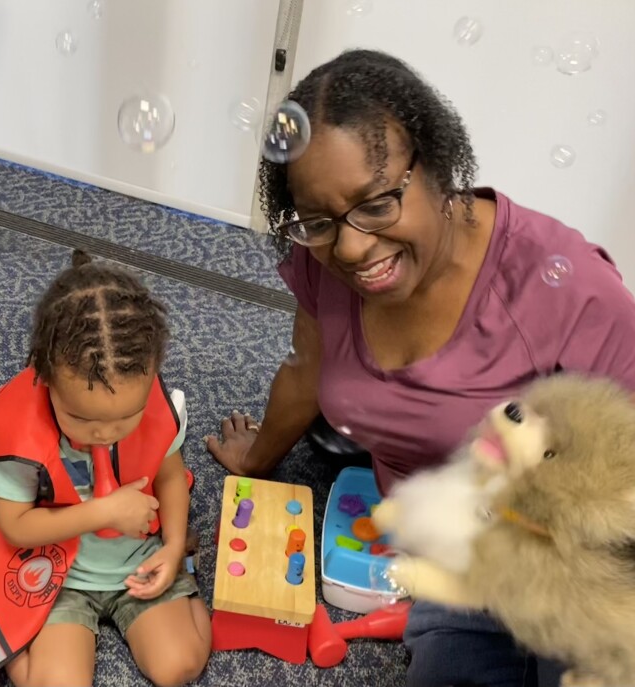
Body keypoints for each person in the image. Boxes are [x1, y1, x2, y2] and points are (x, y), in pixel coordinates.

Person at [206, 48, 635, 687]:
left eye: (377, 203)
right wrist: (258, 461)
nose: (350, 247)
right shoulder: (320, 261)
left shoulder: (567, 290)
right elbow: (307, 369)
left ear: (434, 167)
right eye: (320, 221)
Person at [0, 250, 211, 687]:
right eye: (84, 420)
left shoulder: (157, 406)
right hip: (56, 574)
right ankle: (11, 642)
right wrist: (104, 513)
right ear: (44, 379)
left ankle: (186, 577)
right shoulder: (21, 434)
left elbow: (170, 477)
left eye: (126, 416)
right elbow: (13, 526)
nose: (106, 433)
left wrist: (173, 546)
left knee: (177, 668)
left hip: (139, 560)